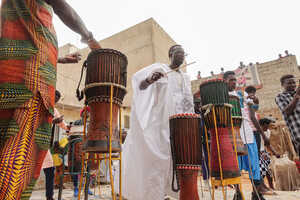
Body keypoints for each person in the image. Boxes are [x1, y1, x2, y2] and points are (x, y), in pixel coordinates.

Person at [0, 0, 100, 199]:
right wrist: (89, 37)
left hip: (11, 77)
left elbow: (30, 34)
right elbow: (61, 6)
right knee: (18, 161)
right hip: (32, 82)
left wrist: (59, 59)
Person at [116, 45, 195, 200]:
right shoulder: (159, 68)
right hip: (160, 123)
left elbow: (188, 102)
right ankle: (152, 194)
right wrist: (150, 79)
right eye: (178, 52)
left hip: (179, 125)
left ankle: (168, 192)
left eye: (183, 54)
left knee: (176, 159)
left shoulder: (185, 78)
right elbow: (140, 85)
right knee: (156, 160)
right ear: (170, 54)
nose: (181, 56)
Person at [223, 71, 266, 200]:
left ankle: (256, 193)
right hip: (232, 134)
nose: (234, 82)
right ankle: (238, 193)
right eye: (231, 80)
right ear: (224, 81)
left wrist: (256, 102)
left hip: (247, 132)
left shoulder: (241, 94)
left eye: (234, 80)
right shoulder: (222, 96)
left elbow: (254, 108)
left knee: (253, 163)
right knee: (234, 165)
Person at [42, 90, 71, 200]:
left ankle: (49, 197)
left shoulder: (54, 110)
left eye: (57, 100)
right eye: (55, 98)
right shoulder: (39, 106)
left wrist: (71, 129)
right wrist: (53, 121)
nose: (55, 101)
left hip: (44, 145)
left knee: (50, 170)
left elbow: (63, 125)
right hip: (32, 143)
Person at [275, 74, 300, 157]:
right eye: (289, 83)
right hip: (298, 134)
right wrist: (296, 97)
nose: (293, 85)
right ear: (283, 85)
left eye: (294, 82)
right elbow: (287, 112)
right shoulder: (280, 97)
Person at [258, 118, 280, 193]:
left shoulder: (267, 132)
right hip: (258, 152)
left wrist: (275, 152)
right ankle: (262, 187)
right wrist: (260, 154)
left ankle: (271, 187)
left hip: (264, 152)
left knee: (269, 171)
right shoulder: (257, 132)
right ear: (262, 125)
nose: (268, 127)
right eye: (267, 125)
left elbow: (267, 144)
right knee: (262, 171)